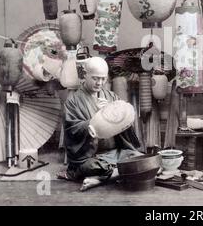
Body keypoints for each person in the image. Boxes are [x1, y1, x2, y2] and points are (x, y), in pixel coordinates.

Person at [59, 56, 142, 191]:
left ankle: (99, 179)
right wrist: (97, 118)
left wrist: (113, 111)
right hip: (89, 157)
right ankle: (116, 173)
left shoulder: (111, 97)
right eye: (95, 78)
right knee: (91, 167)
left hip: (114, 153)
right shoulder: (73, 101)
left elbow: (124, 125)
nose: (99, 83)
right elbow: (72, 130)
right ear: (85, 75)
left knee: (138, 159)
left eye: (103, 78)